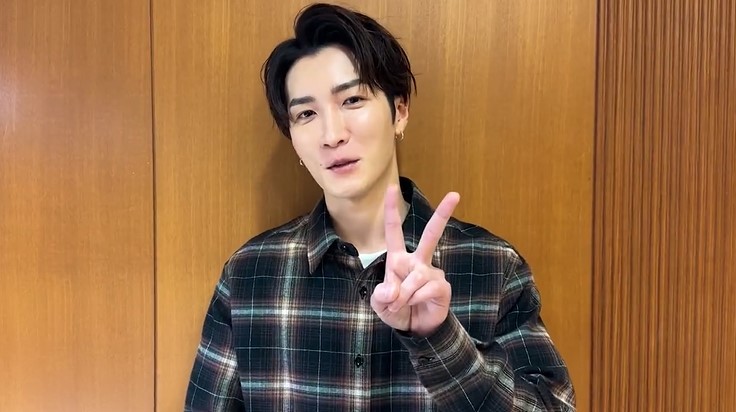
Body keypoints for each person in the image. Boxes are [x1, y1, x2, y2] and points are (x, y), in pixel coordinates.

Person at [184, 3, 575, 411]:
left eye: (352, 99)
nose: (332, 134)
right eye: (306, 113)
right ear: (293, 138)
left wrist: (442, 341)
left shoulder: (491, 265)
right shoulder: (250, 275)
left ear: (399, 111)